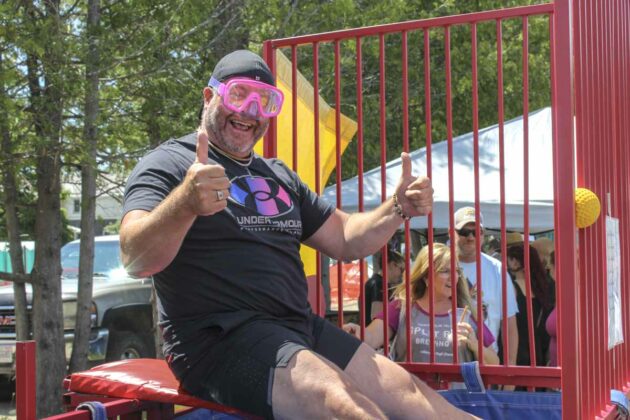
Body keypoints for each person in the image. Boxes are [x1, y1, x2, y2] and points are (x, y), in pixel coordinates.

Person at [119, 50, 474, 419]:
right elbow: (134, 257)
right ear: (210, 97)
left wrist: (397, 208)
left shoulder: (278, 175)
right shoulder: (171, 164)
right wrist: (186, 203)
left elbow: (346, 238)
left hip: (297, 326)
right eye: (239, 95)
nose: (250, 111)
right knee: (340, 403)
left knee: (417, 399)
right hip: (219, 339)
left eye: (266, 101)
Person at [348, 244, 499, 372]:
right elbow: (371, 338)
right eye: (445, 271)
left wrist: (475, 345)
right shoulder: (401, 308)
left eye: (456, 271)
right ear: (426, 277)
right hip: (411, 401)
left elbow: (494, 363)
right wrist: (354, 331)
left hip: (454, 402)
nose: (453, 277)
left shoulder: (466, 312)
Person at [452, 207, 519, 369]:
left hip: (486, 361)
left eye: (476, 232)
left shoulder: (496, 269)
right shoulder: (441, 264)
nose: (470, 237)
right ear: (451, 232)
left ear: (482, 235)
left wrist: (510, 367)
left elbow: (509, 323)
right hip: (446, 358)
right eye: (464, 231)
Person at [506, 243, 555, 371]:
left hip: (514, 351)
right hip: (537, 351)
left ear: (516, 262)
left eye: (509, 259)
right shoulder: (540, 287)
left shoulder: (511, 287)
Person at [364, 249, 405, 323]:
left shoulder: (374, 281)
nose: (402, 275)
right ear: (392, 265)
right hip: (376, 333)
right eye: (402, 269)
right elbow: (376, 316)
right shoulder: (379, 284)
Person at [545, 251, 558, 366]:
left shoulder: (577, 294)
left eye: (549, 266)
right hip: (559, 369)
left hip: (574, 374)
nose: (547, 268)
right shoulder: (561, 293)